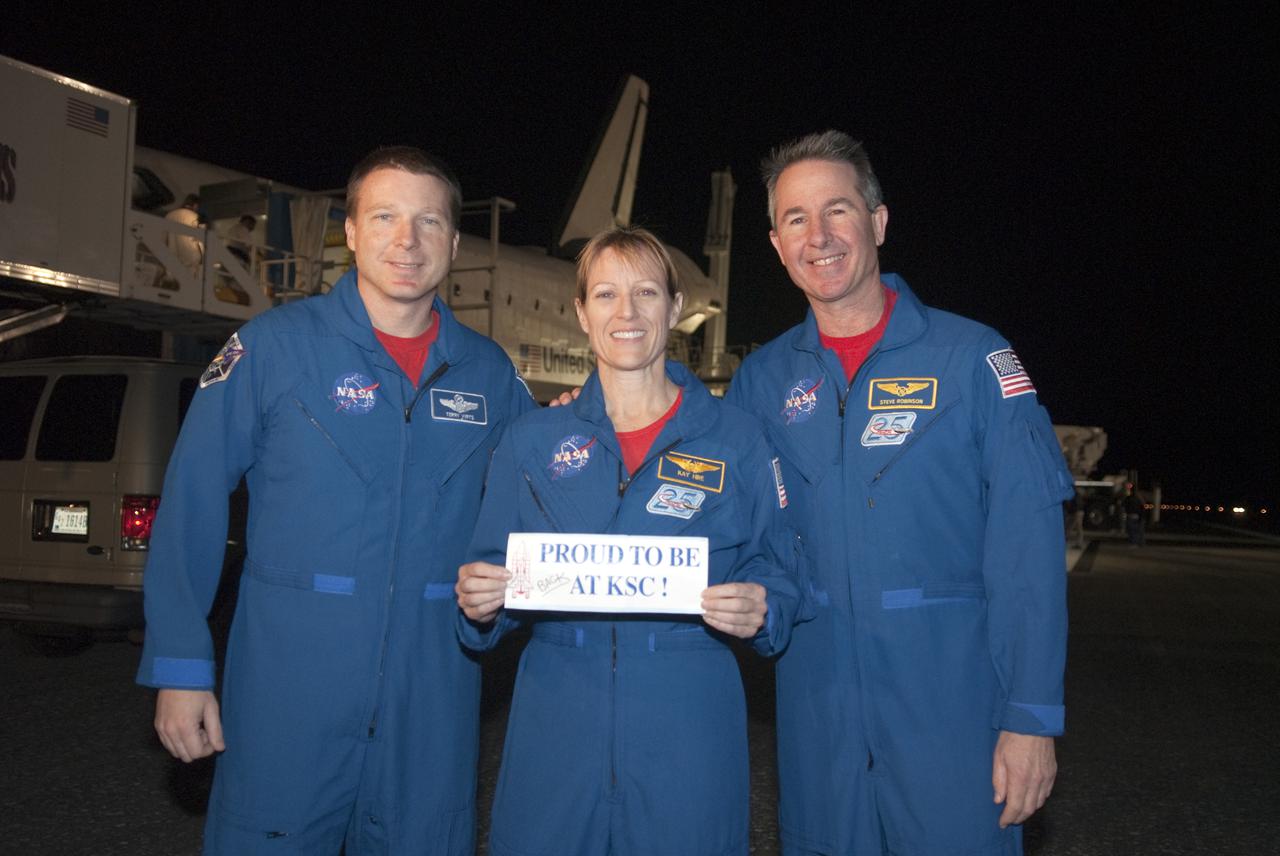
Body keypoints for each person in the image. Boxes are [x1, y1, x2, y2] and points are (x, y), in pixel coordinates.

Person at [136, 146, 535, 854]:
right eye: (384, 216)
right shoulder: (272, 350)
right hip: (287, 697)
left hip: (433, 703)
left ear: (453, 241)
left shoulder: (491, 375)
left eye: (428, 222)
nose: (406, 241)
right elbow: (192, 498)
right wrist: (181, 665)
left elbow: (532, 511)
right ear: (349, 231)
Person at [724, 131, 1074, 855]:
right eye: (795, 219)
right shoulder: (761, 383)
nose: (818, 236)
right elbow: (728, 516)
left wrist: (1032, 718)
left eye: (837, 210)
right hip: (819, 725)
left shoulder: (972, 358)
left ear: (878, 223)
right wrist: (591, 410)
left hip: (951, 719)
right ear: (775, 243)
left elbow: (1027, 548)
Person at [455, 226, 806, 856]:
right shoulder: (530, 440)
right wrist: (481, 603)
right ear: (582, 313)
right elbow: (490, 570)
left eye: (646, 292)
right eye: (607, 294)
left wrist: (765, 604)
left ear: (674, 310)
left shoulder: (737, 438)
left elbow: (779, 568)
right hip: (555, 711)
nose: (627, 312)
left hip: (689, 710)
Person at [165, 193, 204, 275]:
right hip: (191, 259)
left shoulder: (169, 215)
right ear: (196, 205)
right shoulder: (197, 217)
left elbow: (162, 238)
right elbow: (202, 240)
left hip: (171, 258)